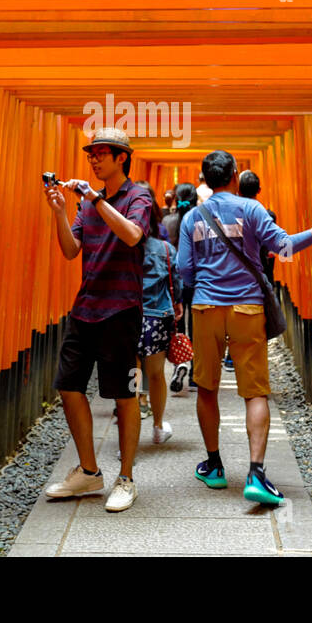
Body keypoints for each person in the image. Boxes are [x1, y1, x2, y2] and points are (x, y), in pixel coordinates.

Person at [177, 150, 312, 506]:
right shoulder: (252, 210)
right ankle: (256, 474)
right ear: (235, 175)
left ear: (206, 180)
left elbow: (184, 270)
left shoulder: (192, 218)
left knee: (207, 387)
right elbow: (284, 247)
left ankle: (213, 466)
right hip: (246, 307)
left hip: (206, 308)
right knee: (254, 392)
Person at [42, 127, 153, 513]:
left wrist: (97, 200)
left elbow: (134, 235)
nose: (94, 159)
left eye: (101, 153)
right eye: (91, 154)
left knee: (125, 394)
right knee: (68, 386)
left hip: (122, 311)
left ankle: (126, 477)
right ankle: (89, 471)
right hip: (85, 308)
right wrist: (60, 211)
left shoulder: (139, 195)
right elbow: (71, 250)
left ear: (122, 156)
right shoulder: (87, 204)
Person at [133, 181, 182, 444]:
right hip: (156, 320)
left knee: (132, 376)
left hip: (128, 317)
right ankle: (158, 425)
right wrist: (178, 305)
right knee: (156, 376)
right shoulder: (165, 249)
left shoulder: (122, 248)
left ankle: (126, 436)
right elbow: (177, 283)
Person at [166, 181, 198, 395]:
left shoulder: (168, 221)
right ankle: (196, 374)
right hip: (196, 279)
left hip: (174, 279)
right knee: (196, 326)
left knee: (178, 327)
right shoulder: (200, 220)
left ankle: (180, 363)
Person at [237, 170, 278, 283]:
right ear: (259, 190)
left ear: (238, 191)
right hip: (262, 274)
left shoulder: (231, 217)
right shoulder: (269, 216)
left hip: (238, 275)